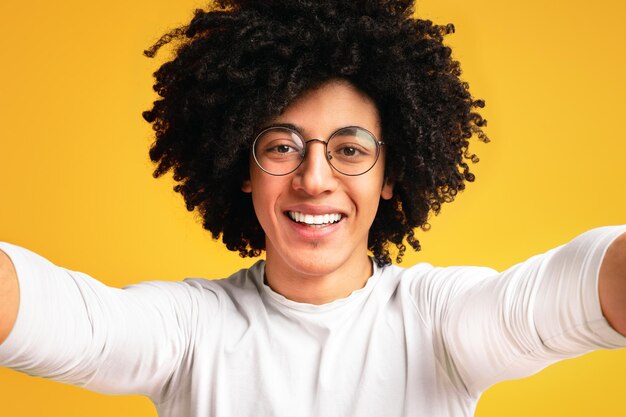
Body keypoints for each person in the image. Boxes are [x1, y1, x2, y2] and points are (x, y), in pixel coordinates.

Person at [0, 1, 625, 416]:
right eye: (281, 147)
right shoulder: (191, 329)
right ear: (243, 171)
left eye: (350, 148)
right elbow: (70, 322)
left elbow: (562, 293)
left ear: (389, 175)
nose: (314, 179)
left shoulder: (439, 322)